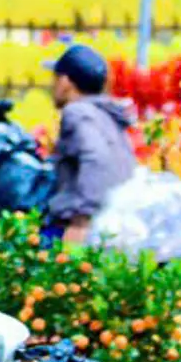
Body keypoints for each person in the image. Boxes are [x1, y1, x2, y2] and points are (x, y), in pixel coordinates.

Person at [46, 44, 136, 245]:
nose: (52, 86)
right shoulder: (108, 113)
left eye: (55, 78)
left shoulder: (77, 113)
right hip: (113, 223)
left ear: (66, 82)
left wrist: (81, 220)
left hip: (85, 229)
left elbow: (96, 158)